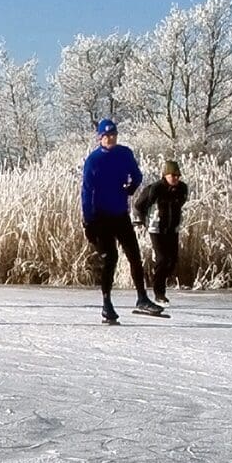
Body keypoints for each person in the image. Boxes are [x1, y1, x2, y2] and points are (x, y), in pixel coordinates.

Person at [81, 119, 164, 324]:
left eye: (113, 135)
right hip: (101, 217)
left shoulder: (124, 154)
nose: (110, 139)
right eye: (106, 136)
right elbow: (86, 192)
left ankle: (142, 298)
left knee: (134, 255)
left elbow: (136, 175)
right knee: (110, 258)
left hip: (120, 214)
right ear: (100, 138)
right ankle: (106, 303)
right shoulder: (93, 160)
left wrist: (131, 188)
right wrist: (88, 221)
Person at [131, 158, 188, 304]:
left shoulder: (182, 188)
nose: (175, 178)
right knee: (162, 259)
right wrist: (142, 221)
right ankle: (159, 292)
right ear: (165, 175)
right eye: (172, 175)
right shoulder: (155, 188)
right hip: (156, 228)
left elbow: (180, 203)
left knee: (173, 260)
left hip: (172, 228)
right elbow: (138, 206)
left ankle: (158, 279)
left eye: (177, 175)